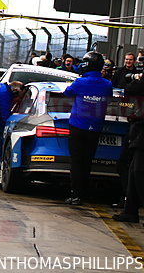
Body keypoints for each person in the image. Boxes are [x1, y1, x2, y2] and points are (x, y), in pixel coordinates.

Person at [63, 51, 113, 205]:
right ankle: (84, 192)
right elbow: (109, 98)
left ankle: (76, 194)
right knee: (88, 161)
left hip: (78, 125)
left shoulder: (80, 82)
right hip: (96, 126)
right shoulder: (107, 84)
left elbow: (67, 93)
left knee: (77, 161)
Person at [113, 75, 144, 222]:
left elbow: (132, 88)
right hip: (138, 128)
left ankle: (131, 209)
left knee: (138, 171)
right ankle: (130, 210)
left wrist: (136, 79)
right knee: (132, 170)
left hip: (140, 130)